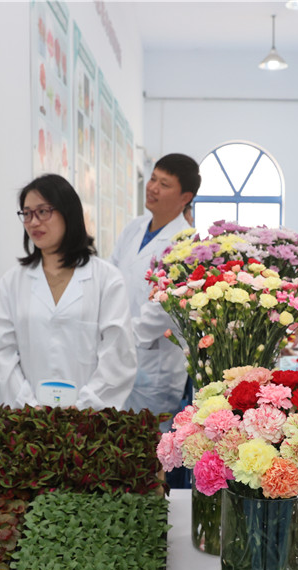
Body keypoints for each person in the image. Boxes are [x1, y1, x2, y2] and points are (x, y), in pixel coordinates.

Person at [0, 173, 136, 410]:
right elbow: (2, 351)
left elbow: (118, 355)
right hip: (30, 417)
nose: (33, 222)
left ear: (68, 213)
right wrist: (28, 405)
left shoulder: (106, 279)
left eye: (42, 211)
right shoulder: (12, 282)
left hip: (91, 418)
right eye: (27, 214)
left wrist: (84, 406)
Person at [110, 153, 201, 417]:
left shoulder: (187, 244)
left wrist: (118, 337)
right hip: (116, 349)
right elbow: (110, 277)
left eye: (164, 184)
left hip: (153, 365)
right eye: (152, 179)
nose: (152, 188)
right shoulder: (134, 228)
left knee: (149, 435)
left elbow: (162, 310)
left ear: (185, 197)